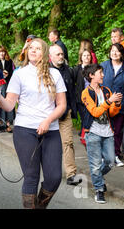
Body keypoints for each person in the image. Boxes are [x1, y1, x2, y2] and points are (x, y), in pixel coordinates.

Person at [0, 38, 67, 209]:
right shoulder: (19, 74)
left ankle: (39, 206)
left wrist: (48, 120)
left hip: (50, 130)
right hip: (25, 131)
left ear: (44, 53)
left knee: (54, 177)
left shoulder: (55, 74)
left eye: (38, 48)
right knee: (31, 176)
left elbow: (62, 105)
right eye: (31, 47)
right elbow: (9, 105)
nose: (33, 50)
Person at [81, 64, 122, 204]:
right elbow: (95, 112)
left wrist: (116, 104)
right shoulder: (86, 93)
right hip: (92, 132)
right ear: (91, 75)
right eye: (100, 73)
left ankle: (96, 176)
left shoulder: (106, 90)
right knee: (96, 164)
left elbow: (111, 113)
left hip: (107, 132)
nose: (103, 75)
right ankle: (99, 190)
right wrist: (109, 101)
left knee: (110, 162)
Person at [100, 43, 124, 167]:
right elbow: (97, 84)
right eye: (112, 51)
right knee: (104, 130)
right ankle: (105, 155)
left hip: (121, 106)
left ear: (121, 53)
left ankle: (115, 154)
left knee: (117, 131)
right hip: (105, 104)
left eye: (117, 51)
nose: (114, 53)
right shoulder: (103, 66)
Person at [49, 44, 79, 186]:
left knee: (68, 143)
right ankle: (50, 171)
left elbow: (72, 91)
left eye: (62, 54)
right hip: (49, 114)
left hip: (65, 112)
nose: (61, 56)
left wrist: (72, 109)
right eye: (58, 54)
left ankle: (71, 174)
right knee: (50, 144)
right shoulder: (45, 72)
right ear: (50, 57)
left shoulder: (68, 70)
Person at [73, 48, 94, 146]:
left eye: (88, 55)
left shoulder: (94, 68)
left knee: (90, 117)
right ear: (81, 57)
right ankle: (84, 136)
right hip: (81, 99)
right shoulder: (77, 69)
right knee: (84, 117)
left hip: (92, 97)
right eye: (84, 55)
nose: (86, 57)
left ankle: (87, 136)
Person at [0, 45, 15, 132]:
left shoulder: (9, 61)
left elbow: (12, 73)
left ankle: (8, 123)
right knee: (0, 103)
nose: (2, 53)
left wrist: (7, 75)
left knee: (9, 101)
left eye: (3, 52)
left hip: (8, 84)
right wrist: (1, 76)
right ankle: (0, 123)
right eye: (0, 52)